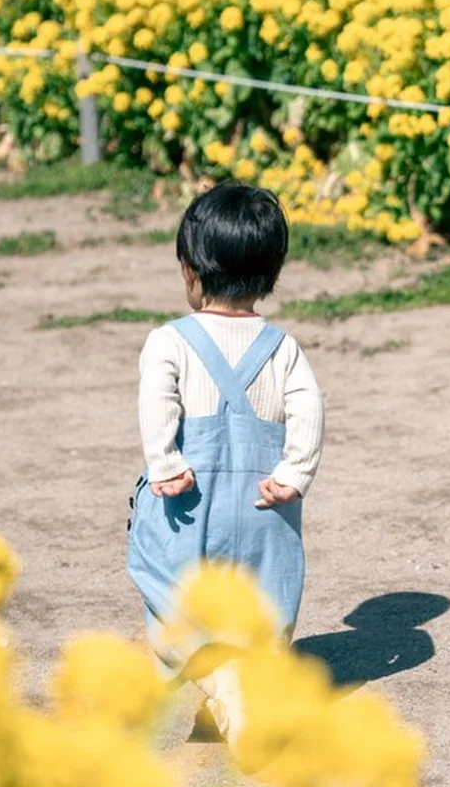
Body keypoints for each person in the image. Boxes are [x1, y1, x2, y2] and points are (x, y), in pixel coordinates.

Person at [127, 181, 325, 743]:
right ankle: (250, 690)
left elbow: (157, 402)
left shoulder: (170, 341)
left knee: (170, 592)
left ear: (190, 271)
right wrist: (294, 474)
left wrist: (165, 461)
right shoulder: (283, 348)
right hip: (265, 503)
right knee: (261, 596)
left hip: (188, 502)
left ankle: (220, 678)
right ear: (272, 272)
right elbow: (309, 409)